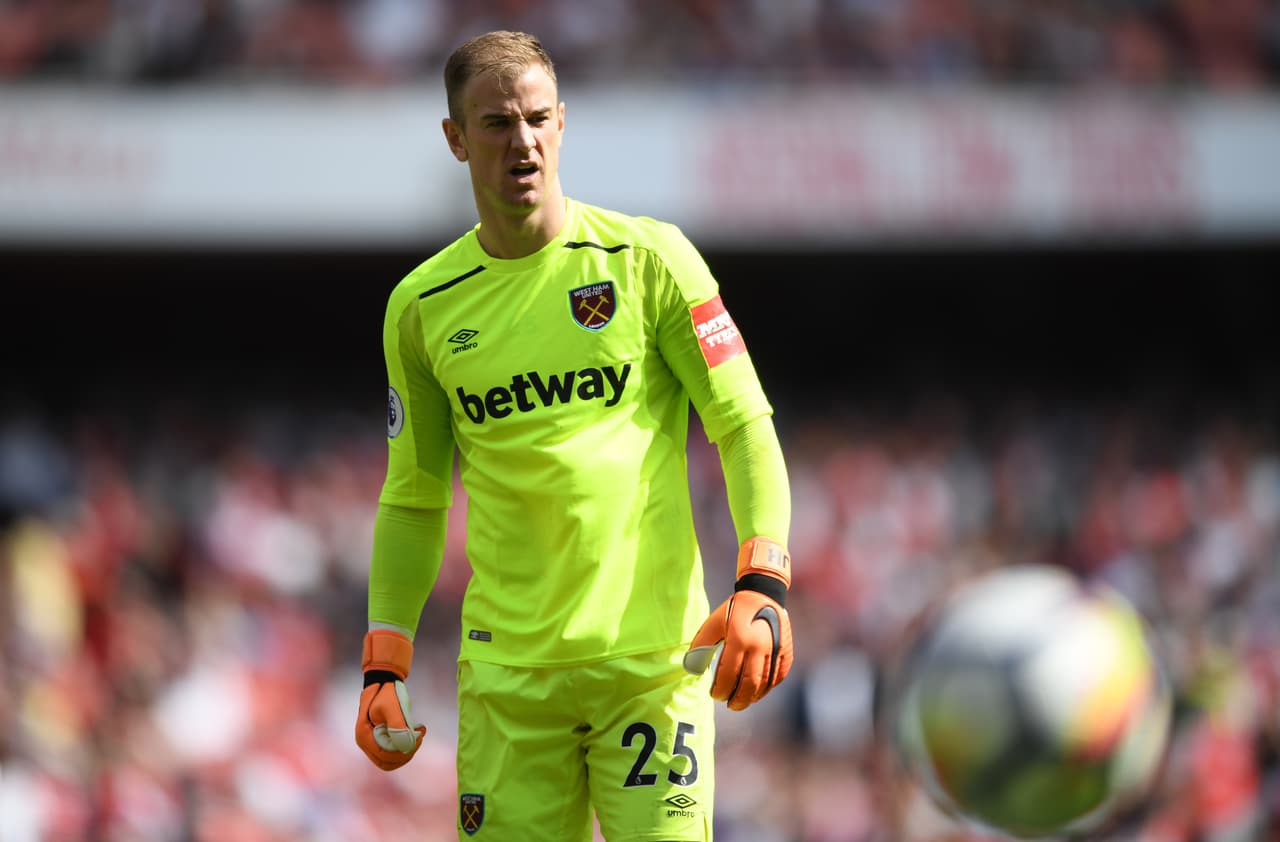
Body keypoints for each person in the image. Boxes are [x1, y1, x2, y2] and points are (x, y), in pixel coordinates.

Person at [353, 29, 794, 841]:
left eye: (538, 118)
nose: (521, 140)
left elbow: (741, 420)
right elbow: (413, 493)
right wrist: (387, 653)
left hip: (652, 668)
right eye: (495, 123)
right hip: (507, 680)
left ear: (563, 124)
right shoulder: (420, 308)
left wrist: (762, 578)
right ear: (454, 138)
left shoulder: (649, 260)